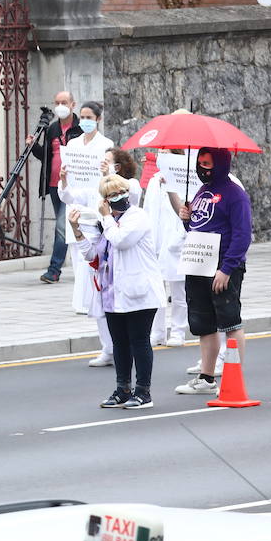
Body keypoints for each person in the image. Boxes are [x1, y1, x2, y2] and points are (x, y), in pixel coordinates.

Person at [71, 174, 165, 410]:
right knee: (119, 343)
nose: (117, 197)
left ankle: (144, 392)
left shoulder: (138, 217)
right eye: (111, 195)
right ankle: (122, 389)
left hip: (140, 293)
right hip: (112, 294)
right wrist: (77, 231)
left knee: (139, 341)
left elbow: (122, 240)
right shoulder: (107, 223)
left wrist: (105, 218)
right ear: (104, 200)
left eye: (119, 192)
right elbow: (93, 255)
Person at [176, 147, 253, 396]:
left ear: (219, 164)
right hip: (198, 263)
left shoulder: (234, 194)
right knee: (203, 322)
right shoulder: (202, 191)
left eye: (207, 163)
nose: (202, 168)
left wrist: (227, 268)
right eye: (200, 163)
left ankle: (234, 377)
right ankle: (207, 378)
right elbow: (198, 225)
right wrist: (186, 218)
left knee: (230, 320)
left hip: (222, 264)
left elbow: (242, 235)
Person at [56, 101, 116, 366]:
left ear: (99, 119)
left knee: (104, 284)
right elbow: (68, 193)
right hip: (82, 219)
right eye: (82, 117)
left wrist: (107, 172)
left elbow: (115, 183)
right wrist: (64, 179)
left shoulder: (106, 144)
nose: (85, 121)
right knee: (91, 287)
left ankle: (115, 345)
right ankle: (107, 346)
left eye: (90, 117)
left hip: (102, 217)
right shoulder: (74, 146)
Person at [31, 91, 80, 283]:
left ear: (72, 104)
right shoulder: (52, 129)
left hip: (73, 186)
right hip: (54, 185)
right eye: (57, 102)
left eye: (64, 102)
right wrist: (33, 146)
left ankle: (54, 270)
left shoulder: (80, 128)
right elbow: (46, 155)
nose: (60, 105)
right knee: (65, 225)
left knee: (62, 225)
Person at [145, 148, 190, 347]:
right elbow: (148, 210)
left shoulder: (186, 178)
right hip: (156, 241)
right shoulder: (155, 180)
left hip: (177, 241)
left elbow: (186, 210)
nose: (161, 156)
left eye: (166, 153)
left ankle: (178, 331)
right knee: (156, 292)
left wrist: (180, 237)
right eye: (159, 153)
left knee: (179, 291)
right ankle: (157, 332)